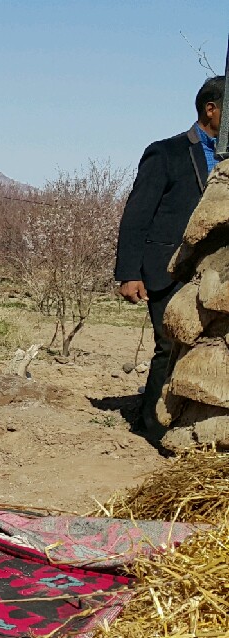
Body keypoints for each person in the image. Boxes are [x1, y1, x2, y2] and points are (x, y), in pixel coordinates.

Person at [117, 75, 224, 437]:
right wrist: (129, 273)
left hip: (213, 276)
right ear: (212, 109)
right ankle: (151, 426)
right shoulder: (166, 153)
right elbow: (137, 216)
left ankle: (189, 422)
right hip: (166, 269)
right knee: (170, 344)